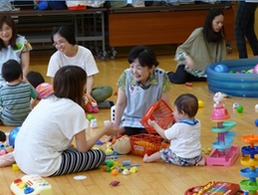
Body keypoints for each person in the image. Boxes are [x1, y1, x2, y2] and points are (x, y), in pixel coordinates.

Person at [13, 66, 124, 177]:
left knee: (71, 150)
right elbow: (83, 148)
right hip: (42, 166)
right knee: (99, 155)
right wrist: (103, 131)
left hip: (21, 158)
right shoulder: (75, 109)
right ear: (79, 86)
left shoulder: (46, 100)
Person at [47, 26, 113, 108]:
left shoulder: (85, 53)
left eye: (61, 42)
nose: (58, 46)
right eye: (55, 43)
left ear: (70, 39)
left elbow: (90, 76)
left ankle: (80, 104)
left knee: (107, 90)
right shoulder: (55, 57)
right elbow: (55, 81)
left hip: (82, 91)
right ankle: (88, 105)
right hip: (66, 93)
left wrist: (88, 94)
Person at [114, 45, 172, 136]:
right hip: (130, 119)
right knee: (125, 140)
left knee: (146, 141)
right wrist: (115, 127)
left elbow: (165, 105)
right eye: (132, 66)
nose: (134, 71)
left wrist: (168, 130)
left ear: (151, 68)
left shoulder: (161, 76)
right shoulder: (126, 74)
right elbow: (121, 104)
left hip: (152, 120)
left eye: (139, 68)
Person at [143, 93, 205, 166]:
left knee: (164, 152)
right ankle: (202, 159)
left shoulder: (179, 126)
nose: (173, 112)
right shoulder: (197, 122)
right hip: (195, 158)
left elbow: (164, 135)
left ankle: (148, 159)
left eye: (175, 110)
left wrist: (155, 125)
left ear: (182, 113)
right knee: (197, 150)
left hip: (181, 159)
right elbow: (184, 131)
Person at [167, 8, 226, 84]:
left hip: (204, 70)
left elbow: (221, 57)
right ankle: (167, 74)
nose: (220, 25)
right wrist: (188, 59)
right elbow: (181, 48)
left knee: (208, 79)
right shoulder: (198, 33)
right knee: (179, 79)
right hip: (187, 67)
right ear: (210, 22)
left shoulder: (220, 36)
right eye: (217, 22)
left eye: (222, 23)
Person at [0, 60, 37, 126]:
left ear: (4, 78)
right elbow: (36, 95)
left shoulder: (2, 90)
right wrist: (27, 82)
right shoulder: (27, 87)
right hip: (26, 120)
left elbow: (1, 104)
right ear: (21, 75)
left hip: (7, 121)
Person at [0, 14, 32, 87]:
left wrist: (19, 81)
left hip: (17, 80)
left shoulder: (23, 42)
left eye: (7, 28)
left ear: (12, 29)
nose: (5, 33)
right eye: (1, 30)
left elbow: (25, 66)